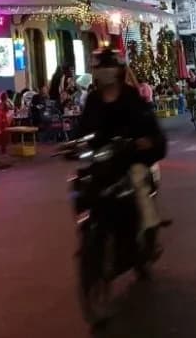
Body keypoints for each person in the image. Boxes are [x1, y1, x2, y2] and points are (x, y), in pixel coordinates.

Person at [77, 49, 167, 251]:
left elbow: (149, 127)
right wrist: (75, 144)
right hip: (102, 161)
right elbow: (82, 129)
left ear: (118, 70)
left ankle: (149, 232)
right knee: (82, 184)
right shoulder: (93, 99)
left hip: (128, 160)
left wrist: (143, 141)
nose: (104, 71)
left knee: (138, 181)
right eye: (100, 67)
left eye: (108, 67)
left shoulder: (131, 96)